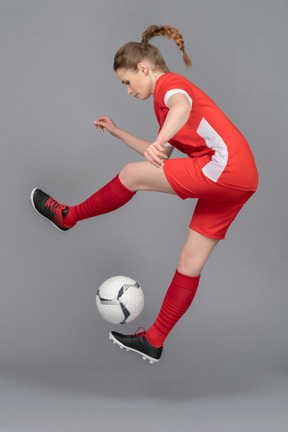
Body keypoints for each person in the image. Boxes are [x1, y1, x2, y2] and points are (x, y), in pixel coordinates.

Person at [30, 25, 258, 364]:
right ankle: (154, 340)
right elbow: (160, 155)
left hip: (224, 167)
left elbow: (180, 109)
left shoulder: (170, 86)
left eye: (126, 82)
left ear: (143, 68)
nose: (127, 90)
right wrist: (120, 133)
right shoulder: (162, 99)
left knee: (130, 175)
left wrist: (160, 141)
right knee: (189, 263)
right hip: (240, 177)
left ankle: (68, 217)